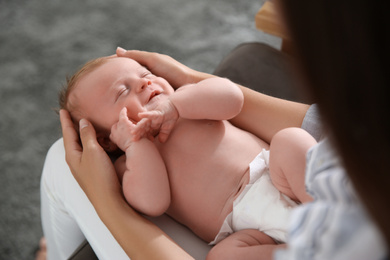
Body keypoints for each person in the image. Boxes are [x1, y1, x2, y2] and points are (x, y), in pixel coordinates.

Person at [58, 54, 315, 250]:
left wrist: (178, 107)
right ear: (106, 141)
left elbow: (233, 98)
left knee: (290, 139)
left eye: (144, 73)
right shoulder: (127, 164)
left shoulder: (186, 100)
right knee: (223, 257)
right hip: (246, 227)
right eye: (123, 90)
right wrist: (136, 144)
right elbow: (153, 203)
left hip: (276, 174)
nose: (144, 82)